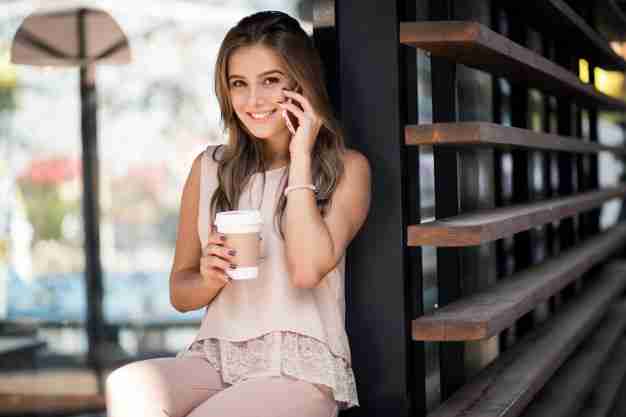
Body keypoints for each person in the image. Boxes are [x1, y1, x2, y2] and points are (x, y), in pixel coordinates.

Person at [105, 10, 371, 417]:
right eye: (238, 84)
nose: (253, 101)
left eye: (270, 81)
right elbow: (180, 292)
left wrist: (300, 156)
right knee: (128, 386)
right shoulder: (209, 167)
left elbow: (306, 270)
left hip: (297, 372)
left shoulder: (346, 169)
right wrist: (210, 278)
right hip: (215, 360)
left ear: (300, 84)